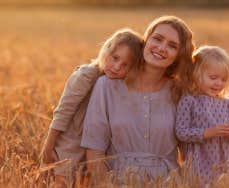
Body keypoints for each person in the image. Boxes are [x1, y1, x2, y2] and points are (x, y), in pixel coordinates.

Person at [80, 16, 195, 184]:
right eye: (157, 39)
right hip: (118, 181)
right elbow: (94, 148)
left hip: (168, 182)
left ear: (179, 55)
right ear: (145, 41)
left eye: (172, 46)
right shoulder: (107, 86)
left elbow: (192, 152)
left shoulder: (181, 93)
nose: (162, 48)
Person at [41, 28, 143, 187]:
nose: (116, 67)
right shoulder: (87, 74)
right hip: (70, 148)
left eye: (125, 65)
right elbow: (63, 111)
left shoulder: (117, 84)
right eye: (115, 58)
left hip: (95, 151)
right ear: (106, 50)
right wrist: (48, 147)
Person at [175, 45, 229, 187]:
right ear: (196, 74)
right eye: (213, 78)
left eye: (224, 79)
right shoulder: (189, 101)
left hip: (227, 162)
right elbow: (181, 132)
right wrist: (207, 133)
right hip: (199, 161)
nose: (219, 83)